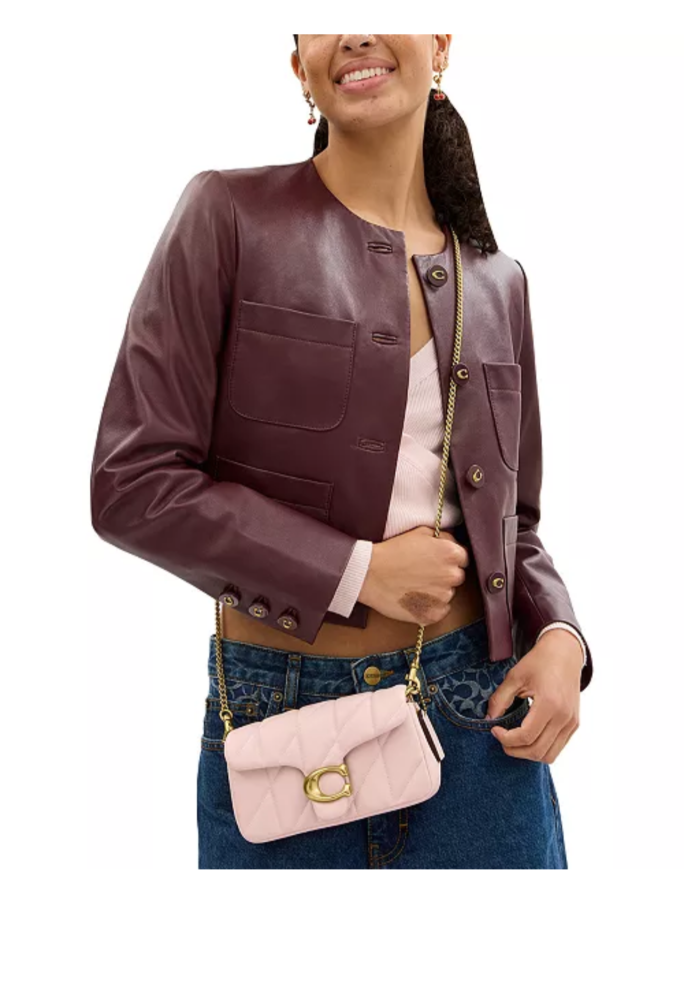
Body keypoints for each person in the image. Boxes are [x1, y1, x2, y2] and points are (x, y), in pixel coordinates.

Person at [91, 34, 593, 869]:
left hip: (479, 724)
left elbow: (518, 525)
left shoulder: (498, 280)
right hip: (281, 724)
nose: (355, 31)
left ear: (440, 42)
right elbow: (132, 484)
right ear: (300, 67)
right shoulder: (228, 215)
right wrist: (359, 571)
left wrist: (562, 635)